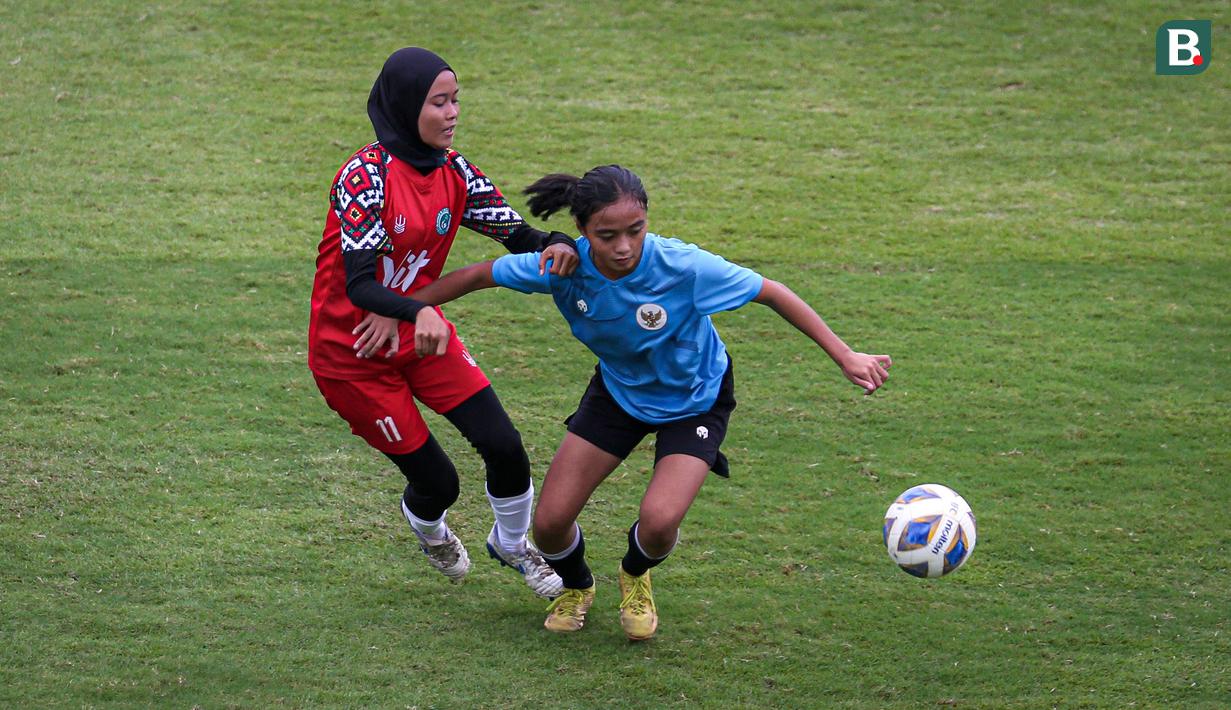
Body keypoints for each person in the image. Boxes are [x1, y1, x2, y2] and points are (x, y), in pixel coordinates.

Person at [409, 165, 892, 640]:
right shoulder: (562, 268)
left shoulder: (682, 265)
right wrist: (406, 310)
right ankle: (577, 586)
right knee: (550, 526)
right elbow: (476, 276)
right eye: (607, 235)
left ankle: (635, 575)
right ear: (581, 232)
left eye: (635, 231)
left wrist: (845, 354)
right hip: (619, 394)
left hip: (696, 399)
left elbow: (772, 292)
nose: (623, 247)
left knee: (660, 523)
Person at [307, 47, 579, 599]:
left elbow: (515, 234)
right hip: (351, 358)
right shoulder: (364, 177)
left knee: (504, 443)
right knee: (438, 483)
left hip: (419, 337)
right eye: (439, 102)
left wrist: (559, 243)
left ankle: (513, 544)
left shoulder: (455, 172)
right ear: (406, 106)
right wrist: (418, 308)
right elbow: (361, 285)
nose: (453, 113)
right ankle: (426, 525)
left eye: (456, 100)